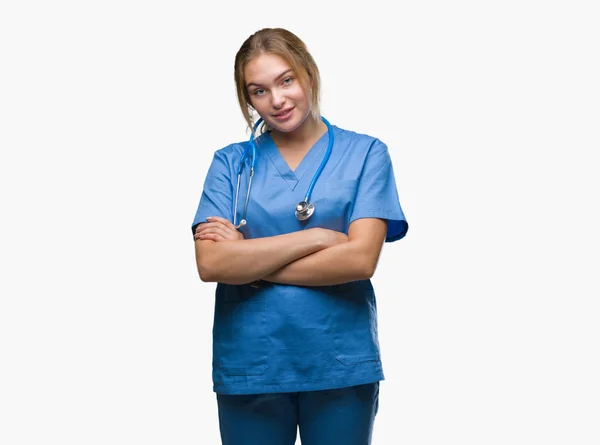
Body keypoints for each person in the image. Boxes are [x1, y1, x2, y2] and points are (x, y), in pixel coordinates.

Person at [191, 27, 408, 445]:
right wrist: (318, 238)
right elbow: (211, 263)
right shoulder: (230, 164)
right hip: (251, 364)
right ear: (247, 99)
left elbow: (360, 260)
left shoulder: (366, 154)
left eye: (286, 80)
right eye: (258, 90)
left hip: (339, 362)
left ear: (309, 74)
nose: (276, 100)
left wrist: (250, 263)